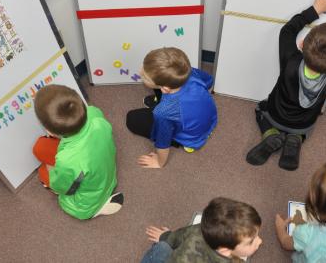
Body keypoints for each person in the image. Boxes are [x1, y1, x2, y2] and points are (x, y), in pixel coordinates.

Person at [246, 0, 326, 171]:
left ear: (302, 45)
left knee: (261, 108)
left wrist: (315, 9)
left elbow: (287, 30)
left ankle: (270, 132)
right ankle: (296, 139)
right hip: (304, 124)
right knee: (304, 129)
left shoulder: (290, 60)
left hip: (276, 115)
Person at [32, 84, 123, 219]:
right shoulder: (94, 113)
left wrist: (53, 171)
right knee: (40, 148)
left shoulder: (68, 160)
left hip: (87, 201)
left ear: (50, 131)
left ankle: (96, 209)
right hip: (103, 171)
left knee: (43, 173)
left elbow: (64, 188)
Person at [126, 47, 217, 168]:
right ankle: (162, 100)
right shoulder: (188, 72)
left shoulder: (163, 112)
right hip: (209, 119)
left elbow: (163, 139)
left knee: (132, 118)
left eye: (145, 76)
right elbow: (209, 81)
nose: (140, 71)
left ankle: (182, 142)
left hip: (193, 136)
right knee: (159, 80)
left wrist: (159, 162)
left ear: (165, 89)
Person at [141, 197, 263, 263]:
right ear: (225, 250)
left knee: (163, 246)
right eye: (251, 241)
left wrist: (166, 236)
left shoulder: (200, 229)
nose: (260, 241)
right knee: (163, 248)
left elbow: (180, 235)